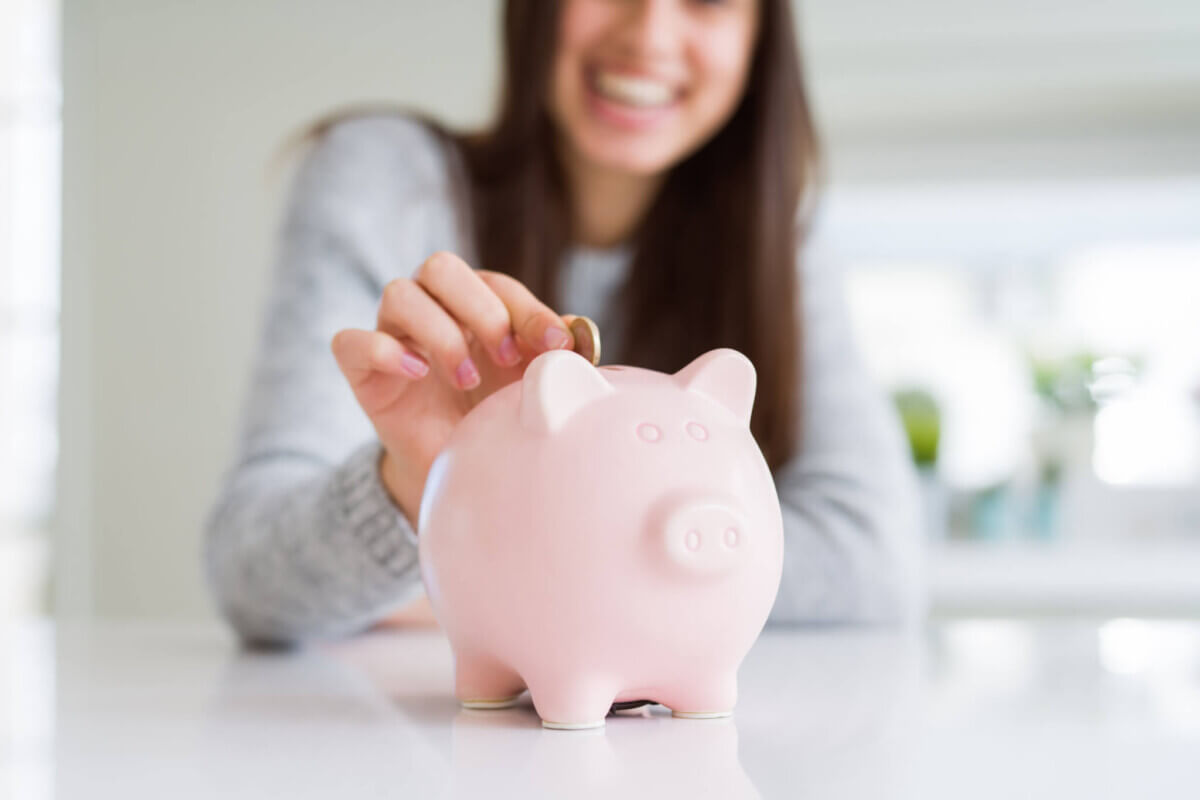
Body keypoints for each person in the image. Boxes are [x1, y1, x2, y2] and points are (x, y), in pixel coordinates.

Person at [203, 0, 923, 646]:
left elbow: (873, 564)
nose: (650, 33)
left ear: (761, 35)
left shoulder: (778, 239)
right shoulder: (384, 181)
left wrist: (473, 573)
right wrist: (415, 487)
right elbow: (252, 577)